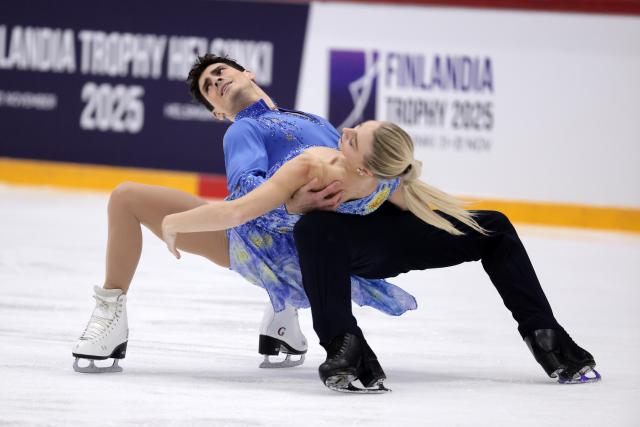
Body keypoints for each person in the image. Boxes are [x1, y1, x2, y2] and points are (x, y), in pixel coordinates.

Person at [70, 54, 415, 374]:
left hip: (317, 245)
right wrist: (293, 206)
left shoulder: (311, 119)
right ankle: (110, 312)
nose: (215, 81)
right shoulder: (243, 130)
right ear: (217, 112)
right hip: (257, 245)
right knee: (126, 197)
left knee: (125, 198)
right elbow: (248, 198)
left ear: (247, 73)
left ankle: (281, 318)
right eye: (208, 87)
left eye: (220, 72)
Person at [289, 122, 601, 392]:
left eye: (356, 133)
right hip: (351, 240)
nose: (347, 130)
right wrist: (292, 205)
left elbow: (398, 192)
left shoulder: (327, 147)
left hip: (380, 236)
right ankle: (346, 344)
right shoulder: (307, 150)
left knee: (492, 226)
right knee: (314, 227)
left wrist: (295, 205)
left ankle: (544, 333)